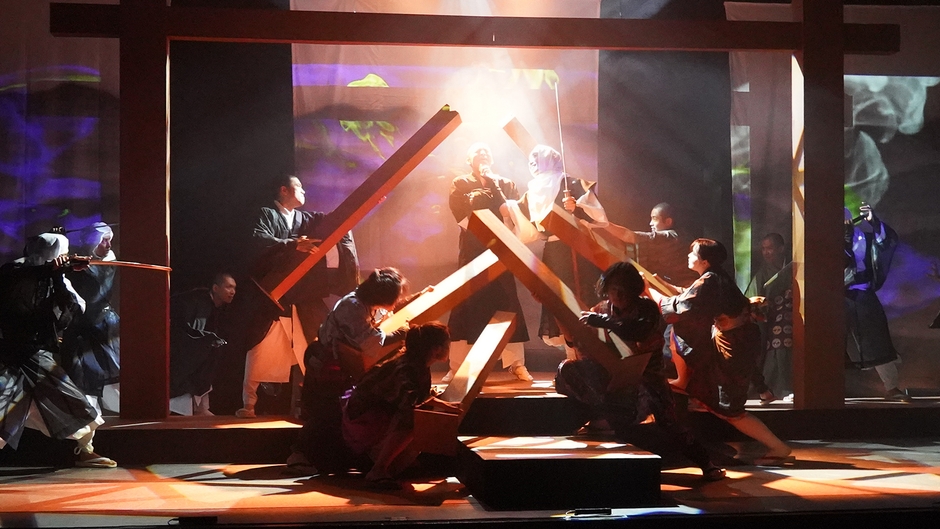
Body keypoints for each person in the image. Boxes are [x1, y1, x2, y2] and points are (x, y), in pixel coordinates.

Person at [556, 261, 725, 481]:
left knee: (669, 423)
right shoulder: (601, 309)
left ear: (634, 289)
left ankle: (706, 463)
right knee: (568, 370)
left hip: (648, 377)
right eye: (614, 289)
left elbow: (638, 330)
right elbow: (577, 342)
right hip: (614, 376)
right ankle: (602, 419)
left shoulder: (646, 308)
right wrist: (560, 315)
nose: (618, 295)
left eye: (624, 289)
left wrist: (605, 322)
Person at [649, 239, 793, 465]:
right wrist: (659, 285)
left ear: (705, 261)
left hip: (734, 344)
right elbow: (687, 297)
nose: (689, 256)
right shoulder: (713, 278)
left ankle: (778, 447)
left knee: (731, 409)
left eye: (693, 253)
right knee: (719, 399)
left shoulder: (710, 280)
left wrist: (652, 292)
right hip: (737, 340)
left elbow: (680, 307)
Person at [237, 174, 359, 418]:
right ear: (284, 190)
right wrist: (292, 245)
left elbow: (334, 221)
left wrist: (363, 204)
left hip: (304, 295)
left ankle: (315, 406)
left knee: (312, 352)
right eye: (299, 187)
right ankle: (249, 404)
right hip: (275, 297)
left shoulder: (307, 219)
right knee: (260, 351)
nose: (304, 191)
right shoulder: (267, 215)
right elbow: (259, 241)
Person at [0, 232, 116, 468]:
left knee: (76, 405)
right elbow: (22, 281)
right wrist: (52, 270)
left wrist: (62, 273)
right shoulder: (15, 272)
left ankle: (86, 451)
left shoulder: (55, 277)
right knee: (4, 409)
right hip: (13, 354)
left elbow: (75, 307)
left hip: (36, 354)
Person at [286, 267, 410, 476]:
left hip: (340, 366)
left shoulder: (363, 303)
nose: (397, 301)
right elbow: (369, 340)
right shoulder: (352, 307)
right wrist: (400, 334)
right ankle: (299, 457)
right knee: (325, 413)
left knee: (335, 414)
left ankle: (324, 458)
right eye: (396, 298)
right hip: (328, 367)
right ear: (383, 295)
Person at [444, 143, 531, 383]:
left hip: (500, 249)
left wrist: (493, 186)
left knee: (507, 302)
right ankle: (457, 366)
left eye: (486, 152)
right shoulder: (461, 183)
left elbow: (512, 214)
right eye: (477, 152)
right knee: (465, 303)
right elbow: (460, 213)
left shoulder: (505, 183)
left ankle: (516, 364)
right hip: (472, 249)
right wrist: (482, 231)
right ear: (469, 160)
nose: (483, 154)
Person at [341, 321, 457, 489]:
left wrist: (437, 400)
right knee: (414, 418)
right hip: (362, 425)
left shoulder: (416, 363)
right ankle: (378, 469)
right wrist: (443, 405)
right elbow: (411, 401)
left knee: (419, 413)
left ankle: (391, 462)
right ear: (436, 349)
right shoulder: (406, 367)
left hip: (372, 420)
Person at [519, 145, 608, 359]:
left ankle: (592, 353)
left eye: (538, 158)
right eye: (531, 159)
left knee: (581, 296)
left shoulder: (570, 183)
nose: (533, 163)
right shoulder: (532, 191)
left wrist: (576, 207)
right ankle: (571, 354)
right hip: (554, 252)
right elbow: (523, 221)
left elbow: (597, 217)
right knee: (558, 300)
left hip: (576, 249)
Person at [844, 204, 910, 402]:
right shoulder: (826, 243)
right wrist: (843, 240)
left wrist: (873, 221)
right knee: (828, 342)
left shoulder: (864, 238)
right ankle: (818, 389)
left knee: (877, 340)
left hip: (863, 295)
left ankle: (891, 387)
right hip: (835, 298)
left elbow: (887, 240)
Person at [60, 222, 121, 414]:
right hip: (79, 326)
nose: (108, 245)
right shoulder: (76, 264)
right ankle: (87, 415)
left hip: (103, 325)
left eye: (109, 240)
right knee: (80, 374)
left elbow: (95, 292)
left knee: (110, 372)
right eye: (103, 241)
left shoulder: (107, 261)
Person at [169, 272, 237, 416]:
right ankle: (187, 407)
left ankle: (199, 406)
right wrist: (209, 339)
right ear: (215, 288)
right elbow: (188, 330)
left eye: (234, 288)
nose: (232, 292)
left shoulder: (214, 306)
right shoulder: (199, 302)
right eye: (228, 287)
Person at [746, 233, 795, 404]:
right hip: (771, 318)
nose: (766, 252)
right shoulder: (762, 274)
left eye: (770, 248)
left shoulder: (793, 267)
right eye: (763, 249)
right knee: (780, 339)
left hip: (796, 314)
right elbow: (751, 299)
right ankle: (780, 387)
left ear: (781, 249)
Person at [605, 202, 699, 288]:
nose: (651, 223)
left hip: (687, 289)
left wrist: (604, 224)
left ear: (668, 222)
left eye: (655, 219)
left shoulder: (671, 237)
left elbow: (630, 237)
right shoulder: (683, 235)